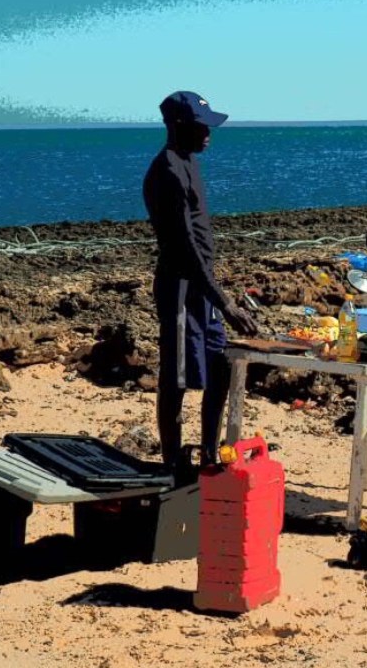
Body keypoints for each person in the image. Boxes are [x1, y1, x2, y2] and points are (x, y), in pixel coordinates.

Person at [142, 91, 259, 471]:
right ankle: (173, 465)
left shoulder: (190, 161)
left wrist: (217, 296)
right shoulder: (168, 171)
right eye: (201, 127)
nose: (208, 134)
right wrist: (226, 303)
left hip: (203, 288)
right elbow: (184, 246)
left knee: (219, 366)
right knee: (176, 380)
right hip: (179, 287)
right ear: (178, 126)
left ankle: (209, 454)